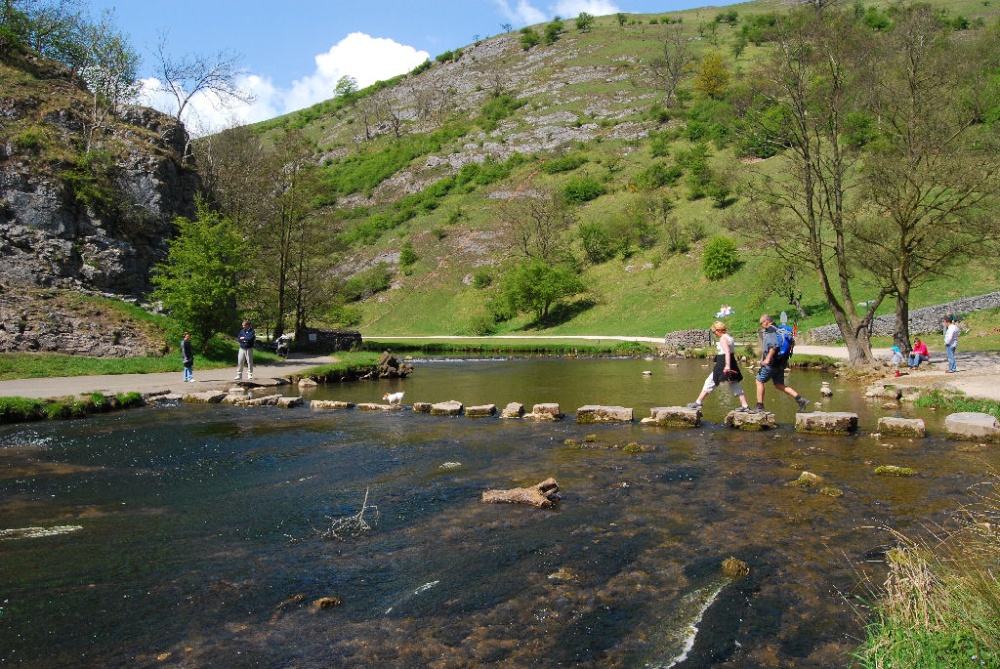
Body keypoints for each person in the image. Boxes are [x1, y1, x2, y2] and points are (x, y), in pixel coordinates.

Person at [687, 321, 751, 413]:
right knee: (733, 383)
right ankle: (745, 405)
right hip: (729, 361)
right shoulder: (729, 337)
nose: (714, 334)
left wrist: (727, 365)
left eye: (714, 331)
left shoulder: (723, 339)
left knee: (710, 381)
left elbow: (727, 351)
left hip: (723, 362)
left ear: (718, 330)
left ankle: (698, 402)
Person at [754, 313, 810, 413]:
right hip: (781, 363)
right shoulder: (779, 329)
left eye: (761, 323)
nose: (761, 325)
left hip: (771, 363)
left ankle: (760, 407)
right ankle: (801, 400)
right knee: (779, 384)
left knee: (759, 381)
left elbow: (774, 346)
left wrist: (767, 359)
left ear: (766, 322)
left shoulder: (771, 331)